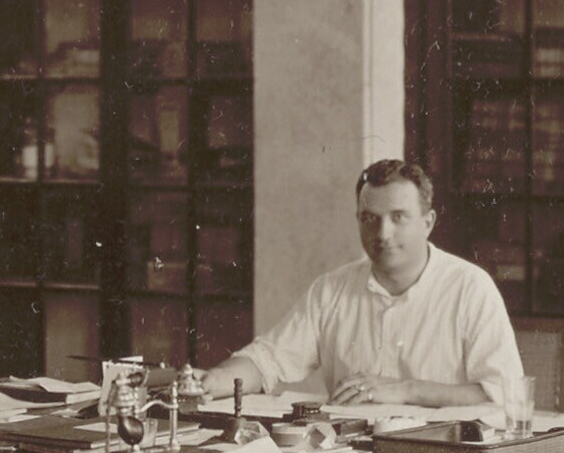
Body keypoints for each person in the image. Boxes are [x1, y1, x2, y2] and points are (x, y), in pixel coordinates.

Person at [208, 158, 521, 407]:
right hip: (352, 451)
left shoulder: (470, 288)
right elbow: (266, 360)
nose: (383, 234)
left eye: (398, 217)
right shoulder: (331, 289)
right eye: (370, 219)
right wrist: (212, 381)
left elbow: (504, 393)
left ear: (428, 223)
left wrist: (407, 390)